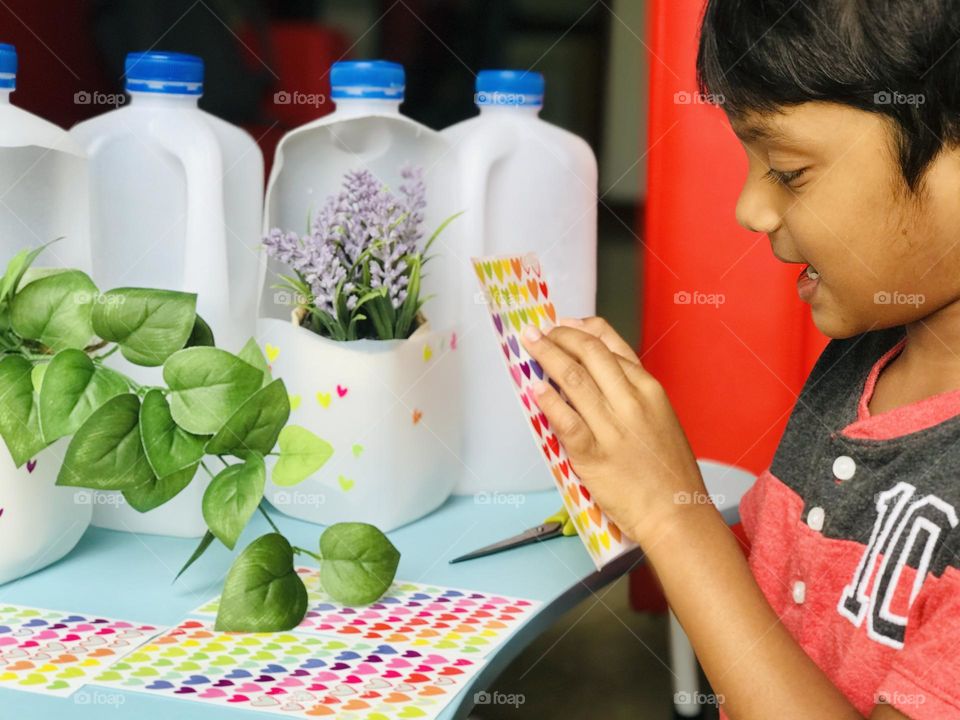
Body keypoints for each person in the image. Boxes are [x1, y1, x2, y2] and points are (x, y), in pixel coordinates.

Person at [520, 1, 960, 718]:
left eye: (788, 170)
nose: (750, 209)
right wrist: (642, 483)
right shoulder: (861, 360)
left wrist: (673, 518)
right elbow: (779, 580)